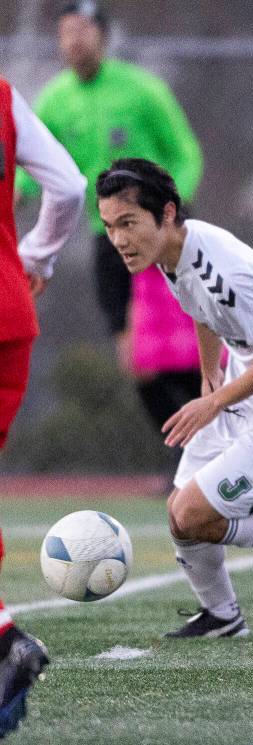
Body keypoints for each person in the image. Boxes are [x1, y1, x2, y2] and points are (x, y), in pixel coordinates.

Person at [95, 158, 253, 638]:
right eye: (110, 227)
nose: (119, 240)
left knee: (196, 515)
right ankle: (223, 616)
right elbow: (202, 311)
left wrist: (213, 403)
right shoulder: (174, 252)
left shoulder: (222, 272)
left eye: (128, 223)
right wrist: (209, 377)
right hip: (250, 378)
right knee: (179, 513)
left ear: (167, 212)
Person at [15, 1, 205, 446]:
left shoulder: (141, 91)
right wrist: (16, 200)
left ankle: (218, 444)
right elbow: (32, 166)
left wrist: (173, 211)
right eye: (64, 31)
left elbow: (186, 153)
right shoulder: (56, 99)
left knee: (185, 350)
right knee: (134, 357)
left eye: (82, 29)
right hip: (108, 241)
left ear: (102, 35)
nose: (73, 40)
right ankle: (188, 454)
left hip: (162, 240)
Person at [0, 77, 86, 735]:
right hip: (11, 311)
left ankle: (6, 642)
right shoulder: (3, 94)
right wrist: (36, 257)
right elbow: (69, 185)